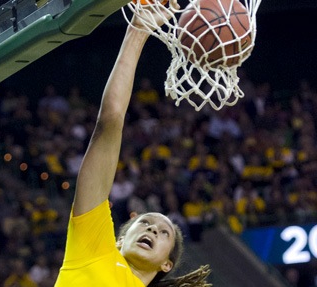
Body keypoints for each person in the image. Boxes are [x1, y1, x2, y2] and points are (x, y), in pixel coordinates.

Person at [53, 1, 211, 286]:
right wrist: (138, 31)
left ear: (167, 264)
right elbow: (110, 120)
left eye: (163, 233)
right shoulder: (95, 249)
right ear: (121, 239)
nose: (152, 228)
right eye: (146, 223)